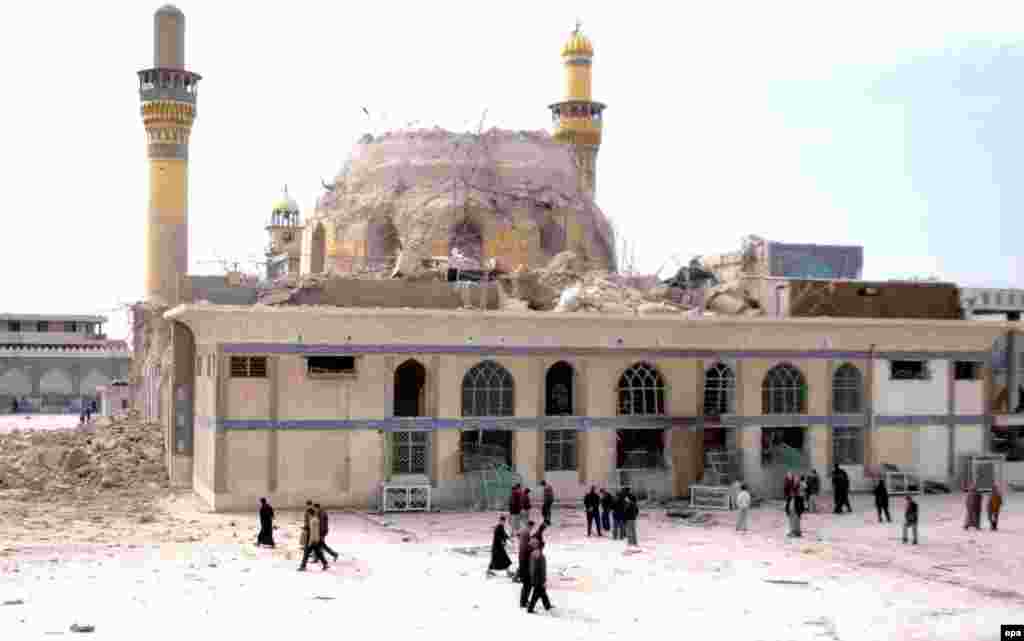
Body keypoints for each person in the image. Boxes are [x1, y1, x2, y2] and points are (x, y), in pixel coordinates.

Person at [526, 539, 553, 614]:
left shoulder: (533, 554)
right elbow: (541, 568)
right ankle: (530, 608)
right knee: (536, 593)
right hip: (538, 578)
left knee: (542, 592)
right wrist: (543, 579)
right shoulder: (539, 555)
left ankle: (547, 605)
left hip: (535, 578)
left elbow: (532, 568)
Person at [516, 520, 536, 585]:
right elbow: (528, 542)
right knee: (523, 565)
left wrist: (520, 541)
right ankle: (516, 577)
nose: (532, 528)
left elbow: (517, 535)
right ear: (530, 526)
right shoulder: (527, 532)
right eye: (532, 527)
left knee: (522, 564)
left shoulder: (522, 529)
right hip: (524, 550)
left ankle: (520, 577)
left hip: (521, 549)